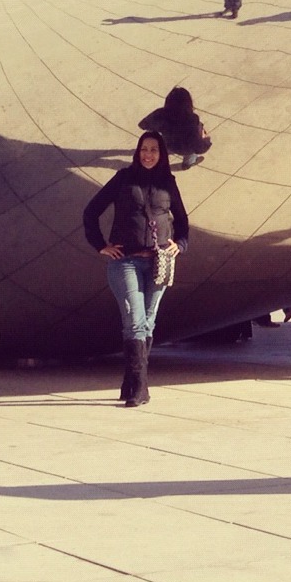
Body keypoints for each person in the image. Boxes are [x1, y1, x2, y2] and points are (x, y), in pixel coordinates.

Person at [82, 131, 189, 408]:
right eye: (144, 149)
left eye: (154, 149)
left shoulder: (168, 182)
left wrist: (180, 244)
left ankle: (131, 380)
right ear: (137, 151)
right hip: (125, 261)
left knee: (148, 320)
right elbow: (91, 211)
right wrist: (100, 245)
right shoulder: (122, 179)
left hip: (158, 261)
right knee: (134, 319)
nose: (148, 154)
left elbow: (183, 221)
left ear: (161, 154)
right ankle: (140, 387)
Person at [139, 86, 212, 169]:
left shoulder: (161, 113)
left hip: (168, 143)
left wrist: (157, 130)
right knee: (193, 146)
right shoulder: (192, 119)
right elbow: (198, 147)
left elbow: (143, 125)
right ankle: (188, 163)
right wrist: (206, 140)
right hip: (185, 149)